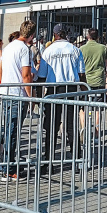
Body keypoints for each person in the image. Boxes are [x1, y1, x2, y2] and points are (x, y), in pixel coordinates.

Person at [37, 24, 86, 171]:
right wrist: (85, 92)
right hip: (71, 88)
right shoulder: (75, 50)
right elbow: (82, 75)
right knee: (71, 125)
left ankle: (48, 162)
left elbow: (41, 76)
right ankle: (77, 160)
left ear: (55, 34)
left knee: (52, 127)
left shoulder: (48, 51)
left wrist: (39, 98)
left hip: (53, 89)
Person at [0, 21, 35, 181]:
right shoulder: (24, 49)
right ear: (31, 35)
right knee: (13, 132)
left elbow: (0, 71)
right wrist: (31, 96)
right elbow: (26, 75)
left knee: (8, 130)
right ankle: (8, 169)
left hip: (6, 92)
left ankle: (6, 164)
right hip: (17, 94)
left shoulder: (8, 47)